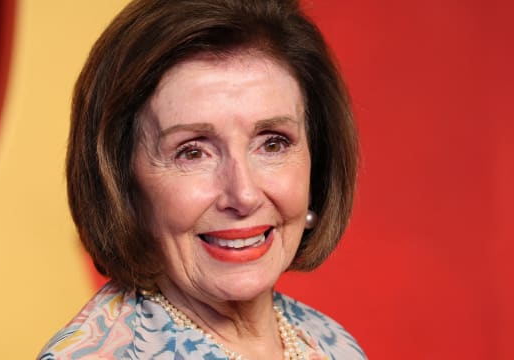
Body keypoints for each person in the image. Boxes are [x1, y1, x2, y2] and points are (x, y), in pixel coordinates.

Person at [38, 0, 364, 359]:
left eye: (272, 143)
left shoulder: (328, 343)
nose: (243, 194)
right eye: (192, 152)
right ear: (122, 181)